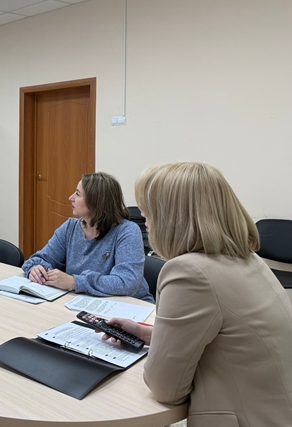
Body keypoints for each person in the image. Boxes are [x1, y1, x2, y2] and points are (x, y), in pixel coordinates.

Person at [101, 162, 292, 427]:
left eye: (147, 214)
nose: (145, 223)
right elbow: (226, 338)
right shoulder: (248, 260)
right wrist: (148, 334)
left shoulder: (190, 272)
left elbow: (165, 389)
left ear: (171, 219)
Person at [22, 172, 153, 302]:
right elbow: (38, 259)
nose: (71, 198)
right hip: (86, 302)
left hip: (132, 307)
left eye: (78, 194)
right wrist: (36, 270)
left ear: (96, 202)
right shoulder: (70, 227)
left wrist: (75, 282)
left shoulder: (127, 231)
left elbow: (126, 282)